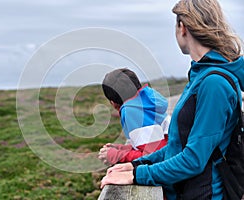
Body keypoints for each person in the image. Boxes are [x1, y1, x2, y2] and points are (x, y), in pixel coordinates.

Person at [100, 0, 244, 199]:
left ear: (182, 27)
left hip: (206, 194)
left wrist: (137, 175)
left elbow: (194, 159)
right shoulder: (201, 76)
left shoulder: (213, 84)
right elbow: (178, 144)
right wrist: (137, 165)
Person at [98, 68, 171, 165]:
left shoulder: (131, 111)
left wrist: (116, 155)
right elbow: (152, 143)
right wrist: (121, 149)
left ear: (113, 103)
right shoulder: (146, 100)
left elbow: (153, 155)